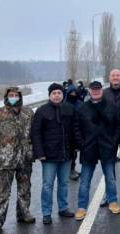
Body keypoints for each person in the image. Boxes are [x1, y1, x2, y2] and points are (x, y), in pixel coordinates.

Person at [0, 87, 35, 234]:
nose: (14, 97)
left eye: (16, 95)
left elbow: (35, 133)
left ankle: (24, 213)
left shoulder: (28, 113)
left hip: (24, 159)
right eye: (11, 95)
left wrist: (32, 151)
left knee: (24, 189)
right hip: (5, 161)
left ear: (20, 97)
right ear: (6, 97)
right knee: (1, 192)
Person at [31, 83, 79, 224]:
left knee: (63, 183)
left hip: (66, 154)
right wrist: (39, 153)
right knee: (48, 185)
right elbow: (36, 133)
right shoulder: (41, 111)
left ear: (62, 95)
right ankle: (46, 212)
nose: (57, 95)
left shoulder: (69, 109)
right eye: (54, 93)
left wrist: (76, 146)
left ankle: (63, 208)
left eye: (59, 93)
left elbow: (75, 129)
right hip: (49, 156)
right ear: (49, 95)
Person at [74, 81, 120, 220]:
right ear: (89, 91)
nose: (96, 91)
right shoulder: (83, 108)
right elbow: (77, 128)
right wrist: (82, 144)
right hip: (89, 148)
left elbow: (118, 126)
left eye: (98, 89)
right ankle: (82, 207)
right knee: (85, 180)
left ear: (102, 90)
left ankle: (112, 201)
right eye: (93, 89)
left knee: (110, 178)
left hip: (107, 146)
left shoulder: (112, 106)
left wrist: (114, 142)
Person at [101, 69, 120, 206]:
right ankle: (109, 196)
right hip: (109, 134)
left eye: (118, 75)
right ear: (109, 78)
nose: (115, 78)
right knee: (109, 166)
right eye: (113, 75)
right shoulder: (104, 93)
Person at [65, 85, 83, 180]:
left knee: (76, 152)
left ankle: (73, 168)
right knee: (71, 153)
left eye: (74, 93)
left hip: (78, 131)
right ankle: (70, 170)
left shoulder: (80, 103)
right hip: (68, 132)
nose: (73, 94)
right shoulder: (65, 104)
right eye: (71, 93)